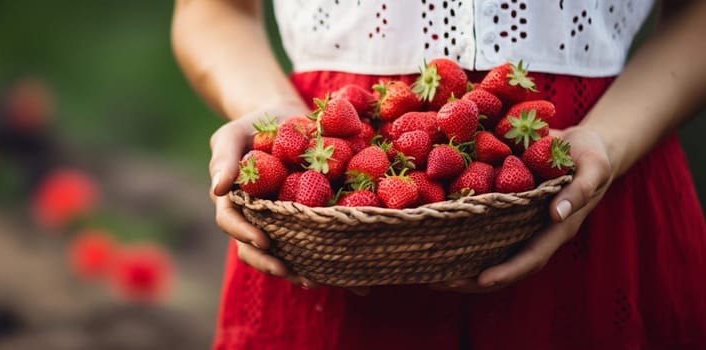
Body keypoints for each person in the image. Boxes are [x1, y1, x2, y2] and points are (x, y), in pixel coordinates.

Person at [172, 0, 706, 348]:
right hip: (332, 169)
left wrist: (609, 142)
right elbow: (214, 12)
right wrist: (271, 115)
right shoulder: (327, 154)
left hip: (587, 157)